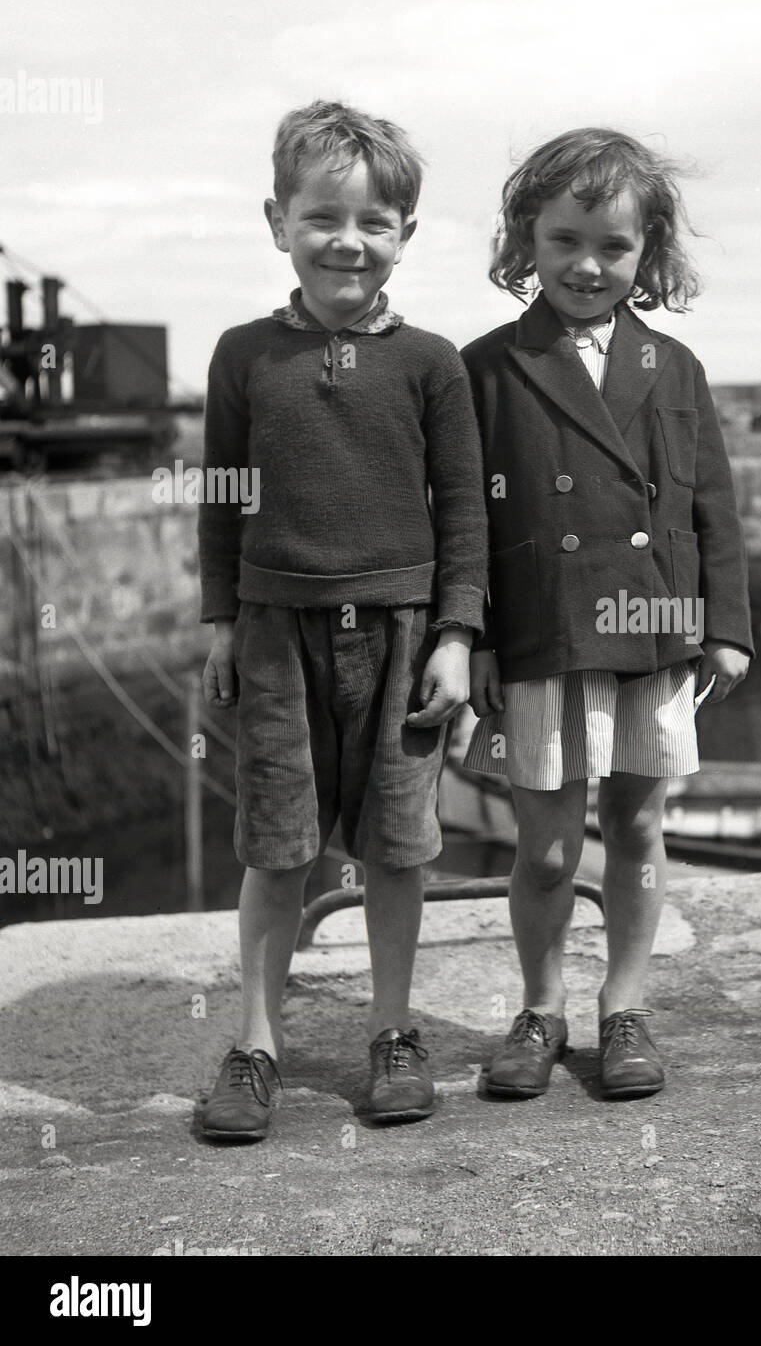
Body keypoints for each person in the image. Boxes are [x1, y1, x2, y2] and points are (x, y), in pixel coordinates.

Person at [196, 101, 487, 1140]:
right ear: (278, 221)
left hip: (406, 635)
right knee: (277, 849)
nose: (347, 241)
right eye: (323, 217)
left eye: (373, 223)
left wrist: (457, 636)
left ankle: (395, 1032)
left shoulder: (433, 364)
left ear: (404, 235)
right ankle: (256, 1043)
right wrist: (219, 619)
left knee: (399, 851)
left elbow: (463, 510)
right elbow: (223, 499)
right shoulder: (242, 356)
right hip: (276, 636)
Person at [462, 128, 753, 1099]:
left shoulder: (675, 367)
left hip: (655, 626)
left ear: (648, 253)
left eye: (613, 247)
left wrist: (728, 624)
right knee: (544, 846)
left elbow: (711, 500)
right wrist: (478, 641)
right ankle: (540, 1006)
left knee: (635, 826)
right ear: (526, 242)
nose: (587, 265)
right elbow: (461, 519)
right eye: (564, 240)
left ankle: (622, 1005)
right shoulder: (484, 367)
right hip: (543, 632)